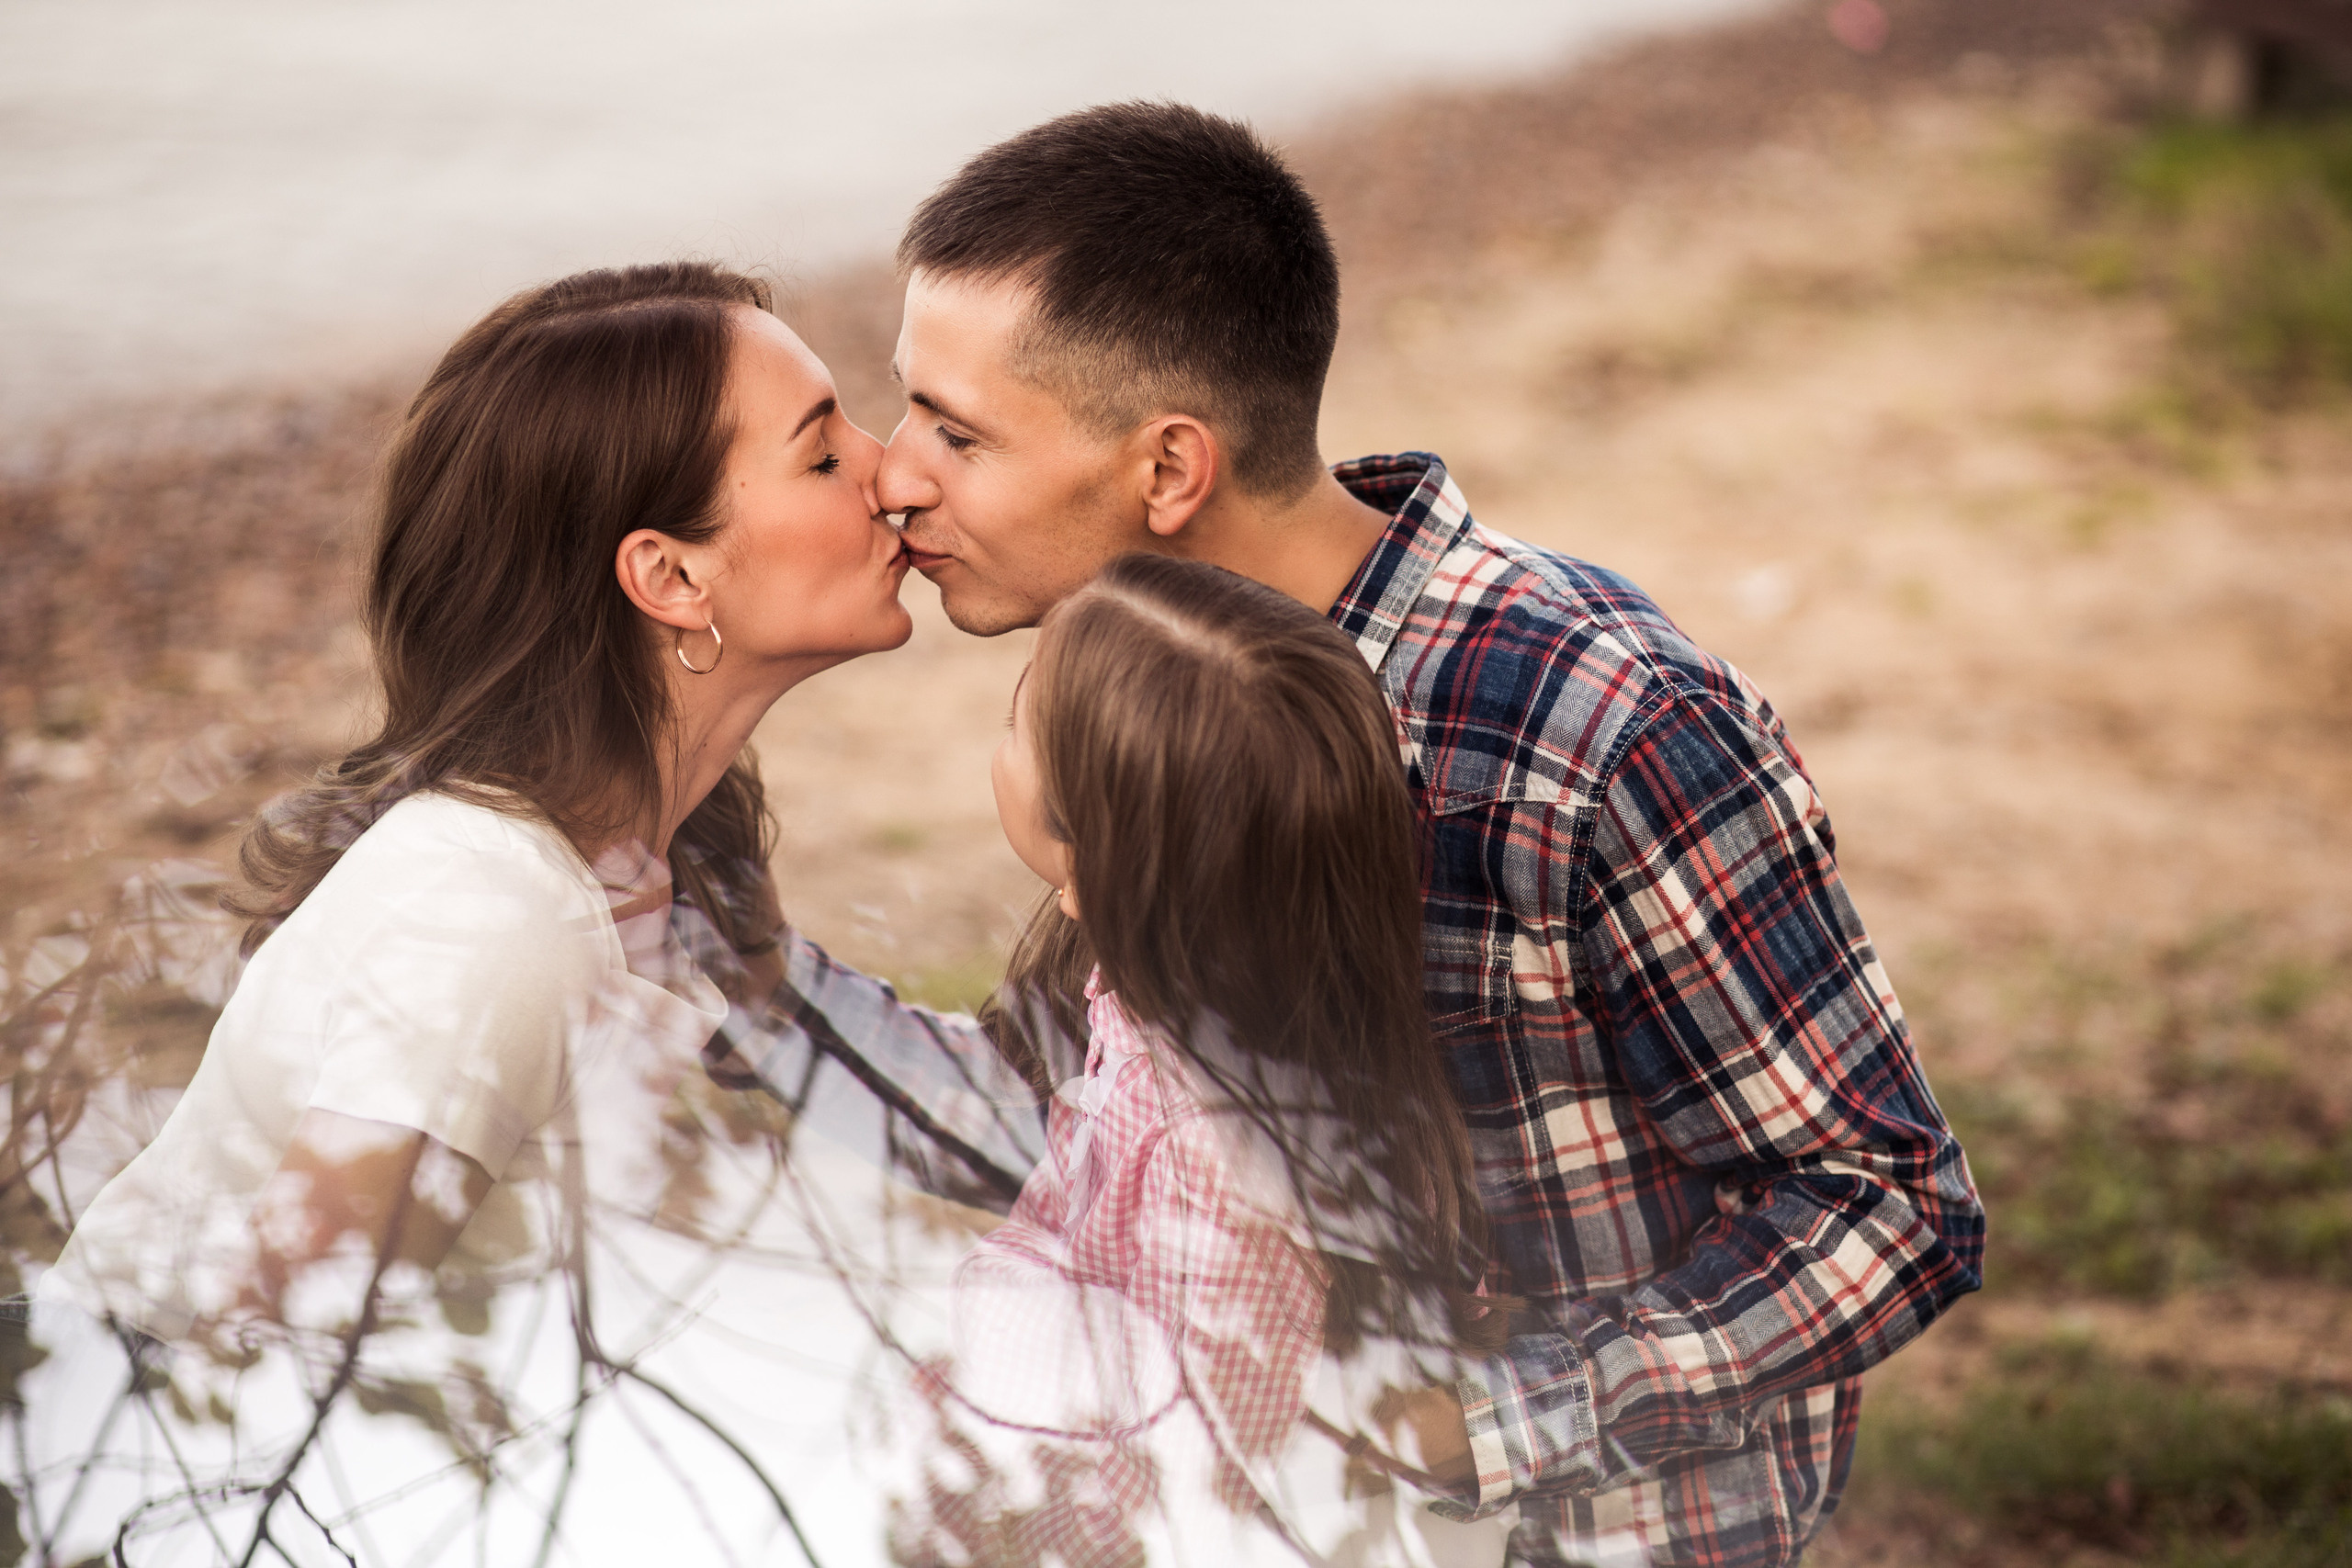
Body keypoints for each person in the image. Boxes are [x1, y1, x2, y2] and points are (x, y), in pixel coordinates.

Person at [736, 103, 1986, 1567]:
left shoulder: (1598, 728)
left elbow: (1887, 1202)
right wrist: (704, 965)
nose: (894, 473)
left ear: (1168, 470)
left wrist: (1472, 1428)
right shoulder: (1148, 700)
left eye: (955, 430)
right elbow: (1049, 1107)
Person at [44, 260, 911, 1348]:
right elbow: (265, 1364)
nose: (896, 473)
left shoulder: (639, 863)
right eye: (827, 454)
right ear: (673, 579)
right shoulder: (496, 917)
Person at [893, 554, 1506, 1565]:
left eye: (1015, 725)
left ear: (1089, 867)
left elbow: (1200, 1465)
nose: (996, 744)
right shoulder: (1184, 1006)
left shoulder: (1217, 1156)